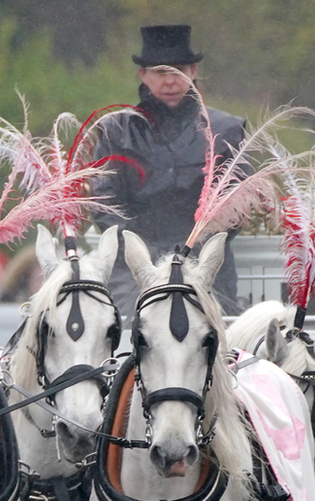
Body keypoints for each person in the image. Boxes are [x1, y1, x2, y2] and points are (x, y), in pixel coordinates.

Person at [90, 24, 245, 319]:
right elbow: (102, 202)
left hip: (209, 266)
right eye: (160, 72)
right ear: (143, 75)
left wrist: (195, 249)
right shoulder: (114, 131)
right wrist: (140, 251)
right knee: (128, 336)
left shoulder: (227, 129)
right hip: (134, 269)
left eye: (177, 70)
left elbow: (237, 201)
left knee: (216, 341)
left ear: (194, 70)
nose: (170, 80)